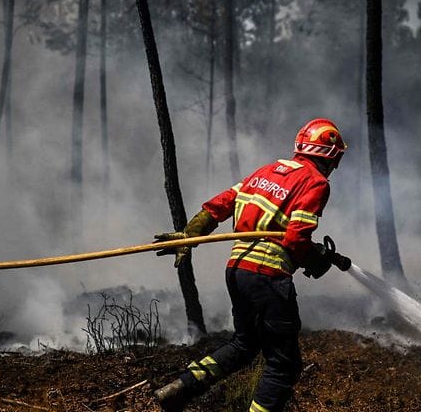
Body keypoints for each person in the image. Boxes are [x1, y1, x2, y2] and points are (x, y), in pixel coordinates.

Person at [151, 118, 352, 412]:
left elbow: (220, 204)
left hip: (237, 271)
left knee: (244, 345)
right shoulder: (316, 183)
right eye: (336, 158)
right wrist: (314, 260)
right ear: (329, 155)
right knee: (283, 365)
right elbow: (296, 238)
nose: (336, 165)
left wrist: (189, 234)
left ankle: (181, 387)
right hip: (268, 277)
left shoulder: (266, 172)